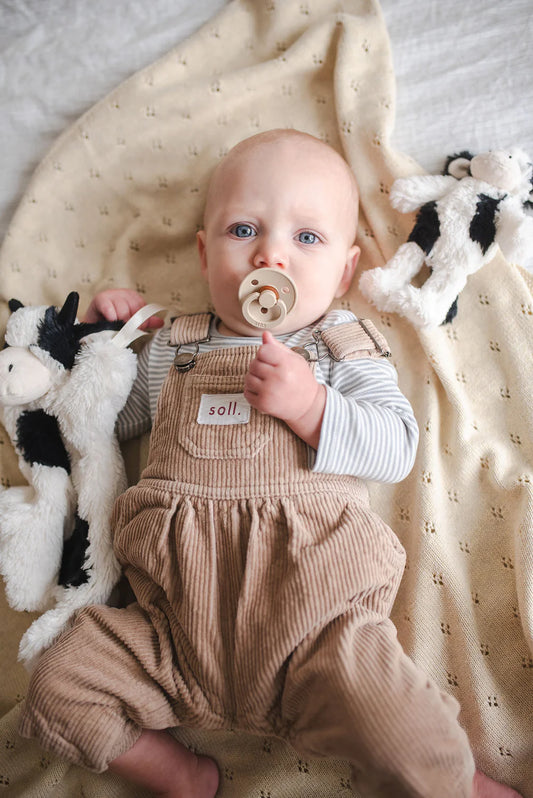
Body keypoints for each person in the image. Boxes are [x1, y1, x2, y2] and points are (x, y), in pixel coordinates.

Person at [18, 130, 522, 798]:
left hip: (318, 628)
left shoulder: (338, 345)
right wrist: (107, 346)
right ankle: (178, 775)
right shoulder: (174, 346)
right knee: (57, 682)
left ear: (343, 272)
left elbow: (395, 447)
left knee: (406, 732)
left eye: (306, 237)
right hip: (171, 632)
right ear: (205, 254)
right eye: (244, 229)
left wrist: (312, 407)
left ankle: (461, 785)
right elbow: (106, 423)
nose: (270, 254)